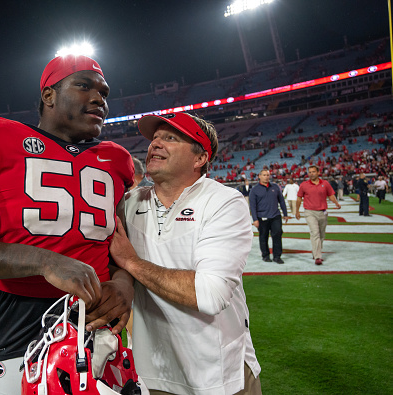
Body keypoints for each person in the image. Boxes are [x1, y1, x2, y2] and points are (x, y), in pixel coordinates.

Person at [0, 55, 135, 395]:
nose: (99, 98)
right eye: (83, 86)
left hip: (97, 320)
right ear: (49, 96)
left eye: (104, 92)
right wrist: (45, 261)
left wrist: (124, 285)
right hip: (20, 323)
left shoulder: (116, 159)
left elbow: (121, 248)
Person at [109, 112, 262, 395]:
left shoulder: (224, 202)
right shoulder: (128, 204)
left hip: (218, 372)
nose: (155, 144)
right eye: (154, 138)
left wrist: (132, 262)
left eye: (170, 138)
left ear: (200, 158)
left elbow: (210, 294)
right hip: (152, 372)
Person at [295, 165, 341, 265]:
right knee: (315, 232)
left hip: (323, 211)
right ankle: (318, 257)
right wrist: (297, 211)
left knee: (321, 234)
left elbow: (331, 195)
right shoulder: (304, 185)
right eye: (310, 172)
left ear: (318, 172)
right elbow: (299, 198)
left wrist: (336, 203)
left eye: (313, 172)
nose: (311, 174)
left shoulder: (325, 183)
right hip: (309, 212)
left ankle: (315, 251)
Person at [249, 169, 289, 264]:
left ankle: (277, 256)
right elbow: (252, 206)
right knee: (263, 237)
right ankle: (265, 255)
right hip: (262, 217)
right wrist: (255, 219)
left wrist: (285, 214)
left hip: (275, 216)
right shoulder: (254, 190)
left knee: (277, 235)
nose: (266, 177)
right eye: (264, 175)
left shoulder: (275, 187)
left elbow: (282, 201)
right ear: (259, 176)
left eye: (268, 175)